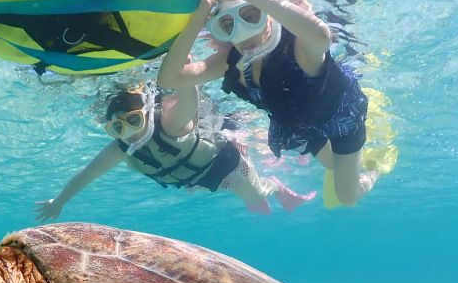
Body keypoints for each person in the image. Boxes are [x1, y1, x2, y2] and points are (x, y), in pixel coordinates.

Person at [156, 0, 378, 206]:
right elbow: (169, 79)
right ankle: (350, 162)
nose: (243, 33)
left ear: (267, 12)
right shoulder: (230, 61)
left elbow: (322, 36)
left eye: (251, 17)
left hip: (342, 117)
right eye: (228, 25)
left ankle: (375, 171)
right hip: (298, 122)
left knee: (347, 197)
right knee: (330, 163)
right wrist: (201, 13)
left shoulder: (297, 47)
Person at [34, 82, 314, 222]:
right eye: (118, 128)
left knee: (256, 193)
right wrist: (60, 201)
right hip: (197, 181)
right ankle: (255, 198)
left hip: (227, 166)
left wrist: (186, 76)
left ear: (147, 113)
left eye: (134, 120)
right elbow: (87, 174)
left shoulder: (170, 125)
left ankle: (274, 189)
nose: (129, 132)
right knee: (247, 197)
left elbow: (189, 98)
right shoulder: (118, 150)